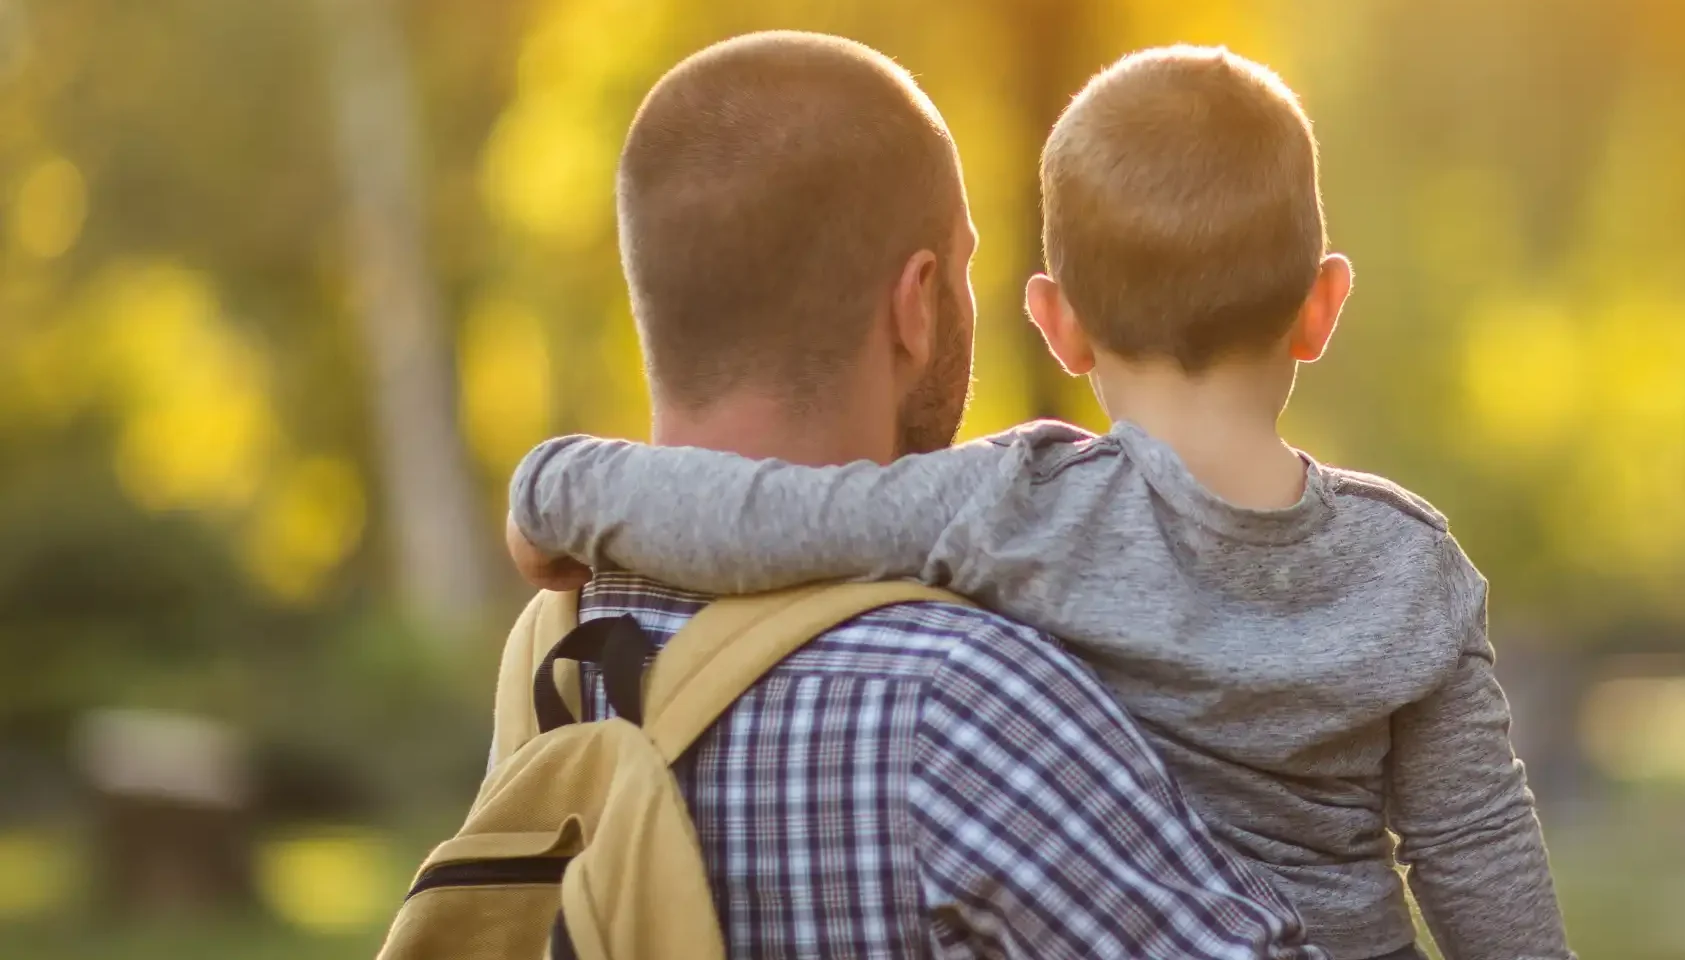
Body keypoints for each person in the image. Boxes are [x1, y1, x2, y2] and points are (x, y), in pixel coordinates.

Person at [509, 46, 1574, 960]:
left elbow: (775, 521)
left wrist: (560, 487)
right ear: (1324, 304)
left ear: (1059, 327)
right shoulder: (1413, 565)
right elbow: (1477, 843)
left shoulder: (1015, 505)